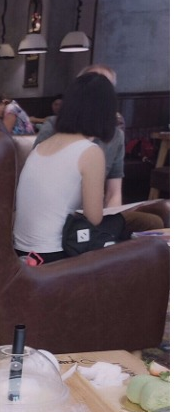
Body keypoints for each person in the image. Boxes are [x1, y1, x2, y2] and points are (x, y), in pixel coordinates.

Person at [34, 64, 167, 230]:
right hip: (62, 217)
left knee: (153, 221)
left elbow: (113, 192)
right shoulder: (55, 127)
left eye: (103, 87)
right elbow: (40, 184)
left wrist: (111, 224)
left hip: (94, 215)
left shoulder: (115, 136)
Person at [13, 72, 125, 263]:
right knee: (120, 223)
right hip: (55, 252)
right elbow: (94, 217)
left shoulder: (40, 147)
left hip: (21, 251)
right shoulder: (90, 152)